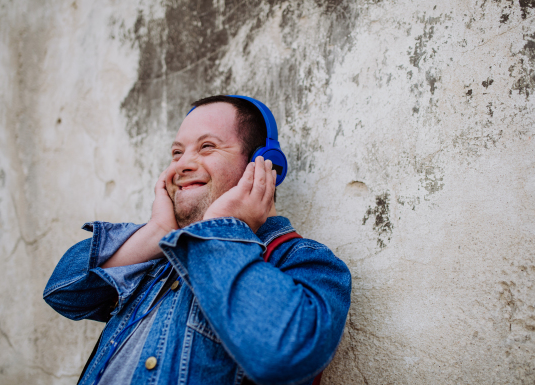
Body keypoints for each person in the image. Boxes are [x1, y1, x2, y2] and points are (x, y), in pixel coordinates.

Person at [43, 95, 351, 385]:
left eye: (207, 147)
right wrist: (156, 232)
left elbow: (283, 356)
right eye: (177, 152)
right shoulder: (160, 259)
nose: (181, 164)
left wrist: (223, 227)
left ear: (262, 164)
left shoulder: (306, 263)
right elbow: (64, 292)